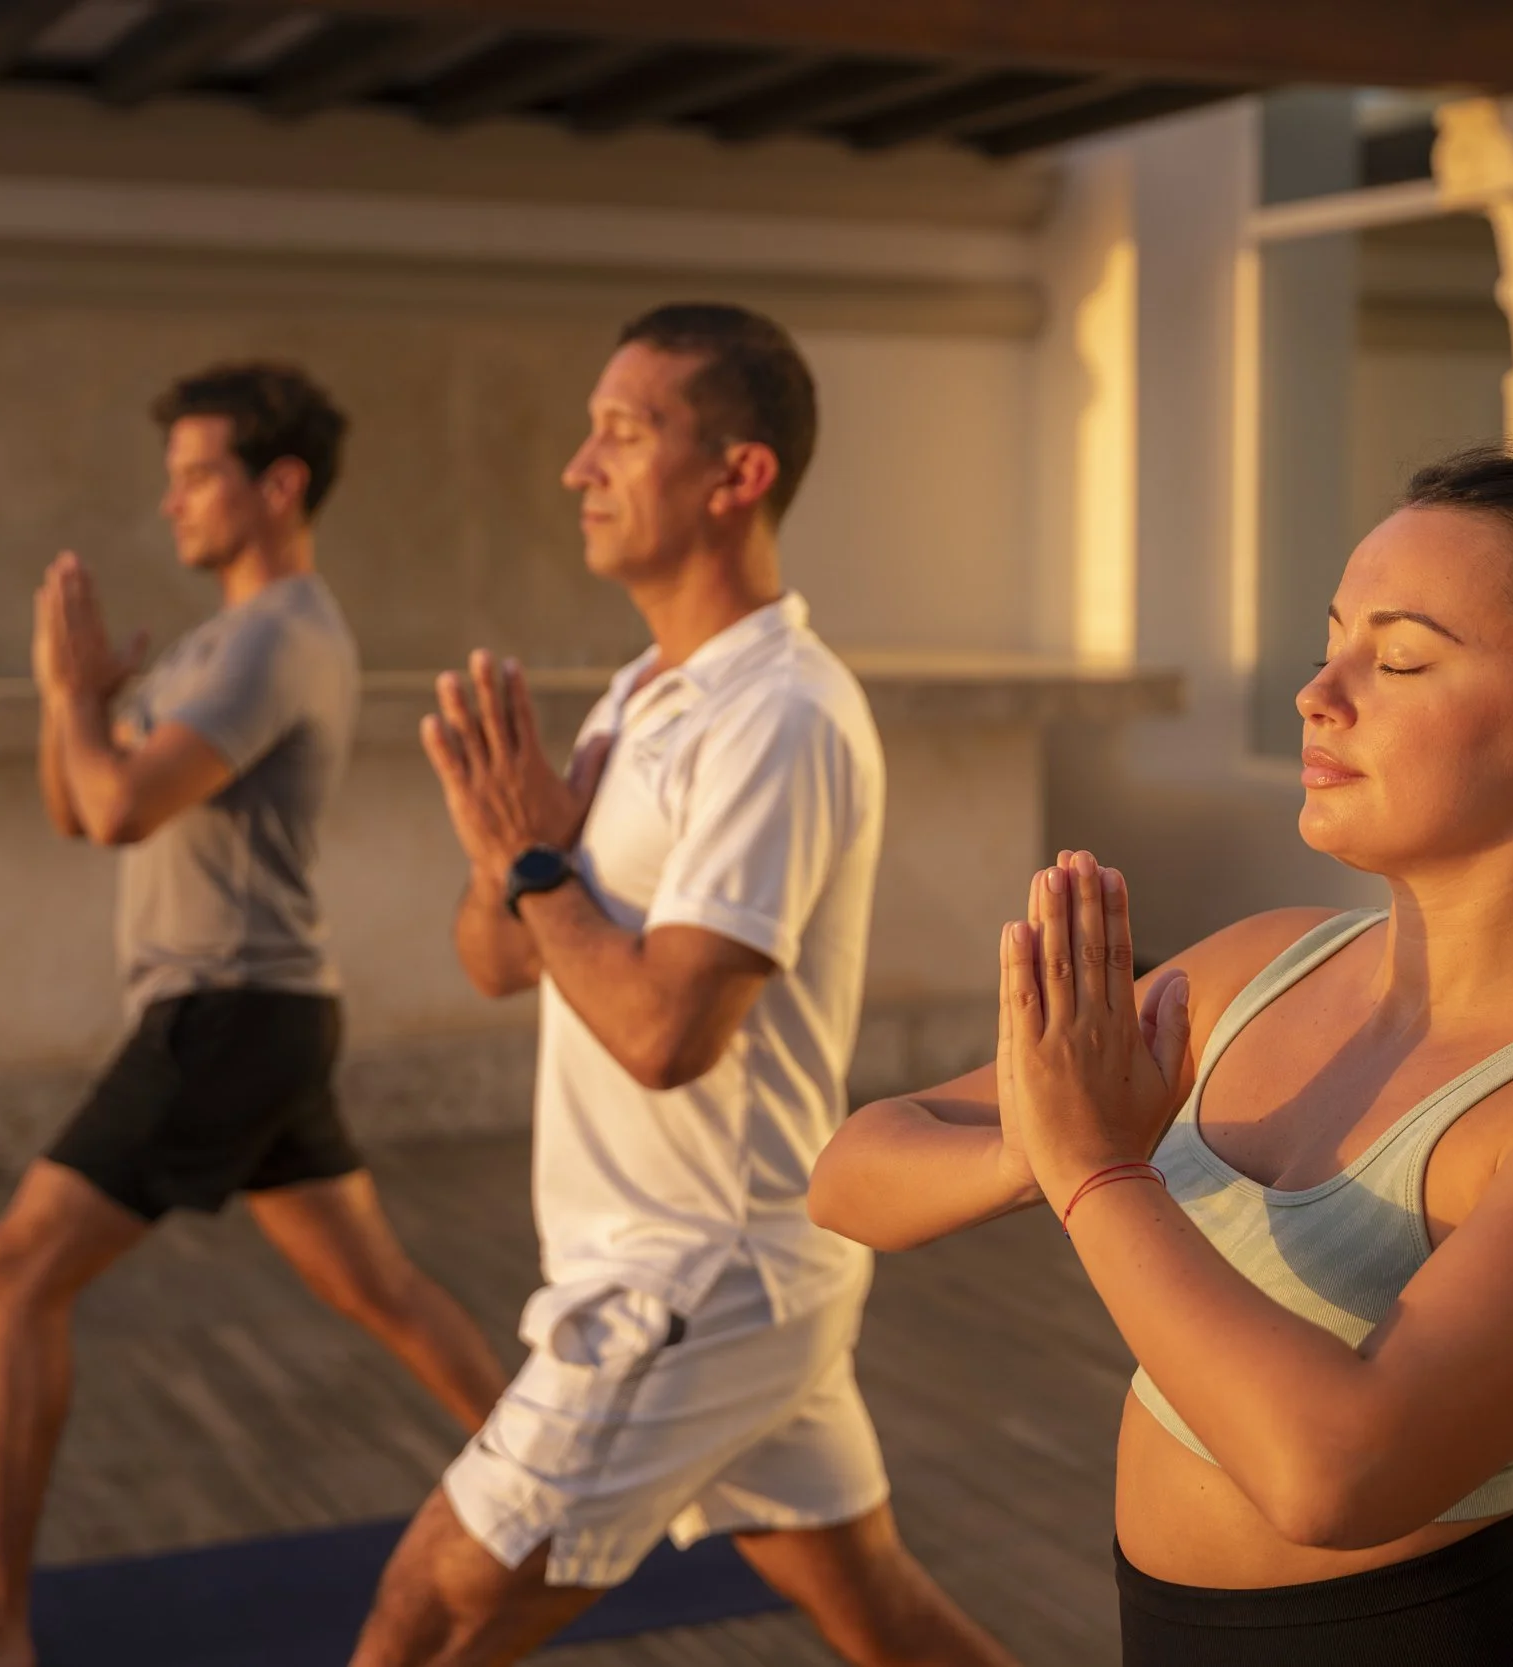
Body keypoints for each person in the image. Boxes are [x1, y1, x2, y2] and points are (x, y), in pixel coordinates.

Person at [810, 447, 1513, 1665]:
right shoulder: (1265, 963)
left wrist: (1095, 1171)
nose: (1319, 692)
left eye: (1398, 658)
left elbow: (1332, 1474)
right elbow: (852, 1172)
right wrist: (1039, 1146)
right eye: (1332, 641)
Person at [352, 304, 1013, 1667]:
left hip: (699, 1278)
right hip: (731, 1265)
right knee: (885, 1618)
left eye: (621, 432)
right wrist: (509, 861)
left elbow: (667, 1032)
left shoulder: (780, 712)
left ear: (737, 475)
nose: (577, 467)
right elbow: (497, 961)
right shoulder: (642, 694)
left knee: (428, 1611)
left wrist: (541, 863)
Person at [0, 364, 509, 1667]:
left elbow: (116, 807)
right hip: (254, 1012)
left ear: (280, 486)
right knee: (380, 1286)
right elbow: (77, 802)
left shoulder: (283, 636)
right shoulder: (218, 640)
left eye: (198, 472)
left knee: (9, 1272)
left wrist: (78, 712)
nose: (172, 501)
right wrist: (75, 695)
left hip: (228, 1014)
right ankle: (577, 1482)